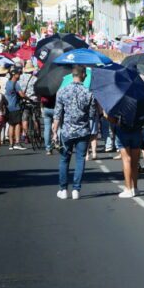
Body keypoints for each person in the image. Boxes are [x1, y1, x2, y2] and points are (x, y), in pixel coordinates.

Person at [52, 65, 97, 200]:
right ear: (83, 74)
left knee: (64, 159)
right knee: (80, 159)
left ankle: (63, 189)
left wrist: (55, 131)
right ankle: (76, 189)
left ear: (73, 75)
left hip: (66, 131)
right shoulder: (88, 93)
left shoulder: (62, 91)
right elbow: (92, 114)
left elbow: (57, 114)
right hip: (83, 130)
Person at [4, 68, 24, 150]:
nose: (19, 75)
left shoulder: (8, 83)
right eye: (18, 74)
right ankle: (17, 142)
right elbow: (22, 95)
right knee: (18, 124)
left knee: (11, 125)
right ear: (14, 75)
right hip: (15, 106)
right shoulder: (15, 84)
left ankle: (11, 144)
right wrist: (28, 98)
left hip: (8, 106)